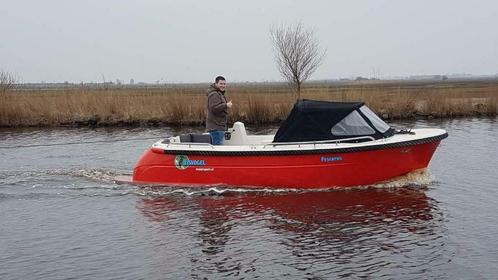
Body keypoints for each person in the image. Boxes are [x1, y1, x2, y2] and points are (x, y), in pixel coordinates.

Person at [206, 76, 232, 145]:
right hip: (216, 127)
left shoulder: (219, 93)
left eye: (224, 84)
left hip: (218, 127)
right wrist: (226, 105)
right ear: (216, 84)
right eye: (221, 84)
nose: (223, 85)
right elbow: (214, 108)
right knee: (217, 147)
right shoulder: (214, 94)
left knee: (216, 146)